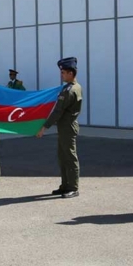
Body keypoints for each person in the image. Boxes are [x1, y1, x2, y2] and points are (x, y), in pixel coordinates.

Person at [36, 58, 83, 199]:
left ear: (70, 73)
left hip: (67, 128)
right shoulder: (72, 87)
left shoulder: (69, 90)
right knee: (63, 158)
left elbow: (58, 111)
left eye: (63, 72)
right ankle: (65, 185)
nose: (61, 75)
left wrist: (44, 127)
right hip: (65, 128)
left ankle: (73, 187)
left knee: (69, 157)